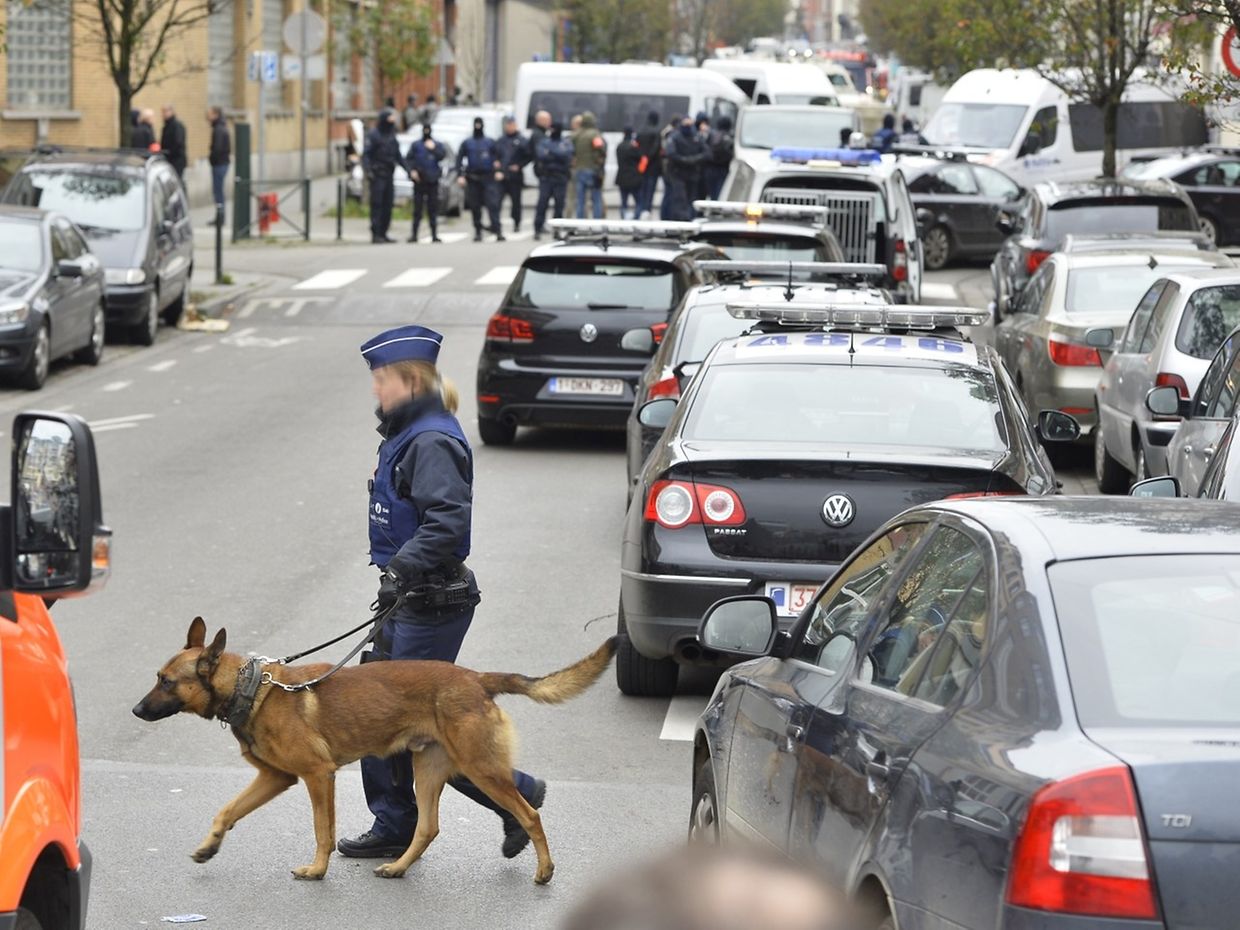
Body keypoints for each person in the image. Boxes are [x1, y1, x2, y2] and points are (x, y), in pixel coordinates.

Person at [336, 324, 547, 862]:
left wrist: (402, 568)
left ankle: (516, 793)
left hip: (430, 601)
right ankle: (394, 821)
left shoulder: (430, 439)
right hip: (408, 596)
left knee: (416, 725)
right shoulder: (409, 430)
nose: (375, 391)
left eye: (381, 380)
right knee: (374, 714)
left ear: (409, 381)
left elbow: (448, 522)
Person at [456, 117, 504, 242]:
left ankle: (497, 230)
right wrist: (460, 175)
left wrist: (499, 171)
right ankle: (478, 231)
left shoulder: (489, 142)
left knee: (493, 205)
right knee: (475, 206)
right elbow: (459, 160)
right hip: (473, 178)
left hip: (488, 178)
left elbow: (498, 157)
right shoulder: (467, 143)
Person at [363, 107, 406, 244]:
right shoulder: (374, 135)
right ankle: (376, 234)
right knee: (377, 205)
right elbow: (367, 155)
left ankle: (384, 232)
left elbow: (398, 155)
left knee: (388, 205)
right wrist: (368, 171)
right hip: (378, 175)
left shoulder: (392, 134)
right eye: (389, 119)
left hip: (389, 174)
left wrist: (408, 170)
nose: (392, 122)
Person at [406, 123, 446, 243]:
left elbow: (442, 156)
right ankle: (414, 235)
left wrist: (433, 148)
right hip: (419, 181)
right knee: (417, 209)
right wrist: (412, 171)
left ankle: (434, 234)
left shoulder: (436, 144)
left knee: (432, 209)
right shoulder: (416, 145)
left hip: (432, 181)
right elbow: (408, 160)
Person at [533, 122, 572, 240]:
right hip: (546, 177)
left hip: (560, 177)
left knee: (559, 206)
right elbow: (541, 155)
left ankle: (557, 231)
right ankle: (537, 229)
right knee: (542, 204)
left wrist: (551, 152)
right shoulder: (544, 142)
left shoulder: (565, 142)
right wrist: (557, 155)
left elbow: (566, 155)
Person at [664, 116, 706, 221]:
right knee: (679, 199)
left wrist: (693, 159)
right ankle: (680, 221)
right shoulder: (675, 136)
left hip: (692, 173)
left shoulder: (696, 136)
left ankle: (688, 220)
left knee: (690, 200)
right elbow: (670, 153)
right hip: (678, 173)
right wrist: (685, 160)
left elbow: (707, 153)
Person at [495, 116, 531, 233]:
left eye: (511, 124)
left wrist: (519, 165)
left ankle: (516, 223)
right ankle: (496, 223)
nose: (509, 127)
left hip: (515, 177)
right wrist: (497, 165)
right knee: (496, 201)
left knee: (516, 202)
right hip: (502, 176)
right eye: (508, 124)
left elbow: (529, 156)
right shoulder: (501, 140)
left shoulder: (522, 140)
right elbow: (495, 155)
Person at [572, 110, 605, 219]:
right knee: (596, 198)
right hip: (592, 170)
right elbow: (601, 149)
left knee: (580, 199)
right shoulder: (595, 134)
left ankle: (580, 222)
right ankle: (597, 221)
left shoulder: (576, 134)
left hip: (579, 169)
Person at [635, 110, 662, 220]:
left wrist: (642, 158)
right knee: (650, 191)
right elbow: (656, 148)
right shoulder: (656, 132)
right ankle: (646, 211)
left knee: (642, 189)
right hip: (653, 166)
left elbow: (636, 147)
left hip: (641, 166)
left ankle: (640, 210)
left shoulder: (640, 130)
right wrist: (648, 158)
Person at [207, 106, 231, 222]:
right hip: (221, 163)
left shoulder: (219, 129)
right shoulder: (221, 127)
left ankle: (220, 217)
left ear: (216, 114)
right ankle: (220, 216)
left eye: (210, 113)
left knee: (218, 191)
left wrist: (212, 159)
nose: (208, 116)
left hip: (219, 164)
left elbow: (217, 148)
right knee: (218, 191)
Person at [615, 127, 643, 219]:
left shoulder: (619, 146)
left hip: (622, 177)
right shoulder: (633, 147)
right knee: (639, 201)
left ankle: (624, 218)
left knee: (624, 201)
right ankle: (636, 218)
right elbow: (640, 158)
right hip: (633, 177)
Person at [704, 114, 733, 200]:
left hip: (710, 168)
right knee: (720, 194)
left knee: (713, 194)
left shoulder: (711, 135)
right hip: (723, 169)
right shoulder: (730, 136)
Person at [160, 105, 188, 179]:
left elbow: (178, 142)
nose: (163, 114)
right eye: (162, 112)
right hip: (170, 159)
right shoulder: (167, 126)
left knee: (177, 180)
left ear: (171, 112)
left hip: (176, 160)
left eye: (165, 112)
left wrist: (169, 153)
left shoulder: (176, 125)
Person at [565, 114, 583, 218]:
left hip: (572, 170)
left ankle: (568, 220)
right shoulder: (589, 137)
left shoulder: (569, 138)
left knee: (570, 197)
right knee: (583, 198)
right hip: (583, 169)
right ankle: (583, 222)